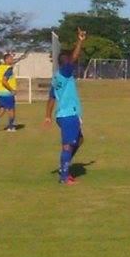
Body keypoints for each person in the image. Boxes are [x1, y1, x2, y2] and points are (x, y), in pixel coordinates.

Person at [46, 29, 85, 184]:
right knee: (68, 145)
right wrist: (80, 40)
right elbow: (75, 57)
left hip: (64, 115)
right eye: (70, 60)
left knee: (80, 139)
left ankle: (65, 164)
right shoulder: (65, 72)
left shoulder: (56, 78)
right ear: (66, 62)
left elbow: (51, 97)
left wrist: (48, 116)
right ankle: (64, 175)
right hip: (68, 115)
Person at [0, 52, 21, 131]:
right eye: (11, 58)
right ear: (6, 60)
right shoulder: (8, 68)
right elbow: (4, 81)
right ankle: (11, 127)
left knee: (2, 110)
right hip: (8, 93)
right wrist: (11, 90)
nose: (12, 60)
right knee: (11, 110)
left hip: (0, 93)